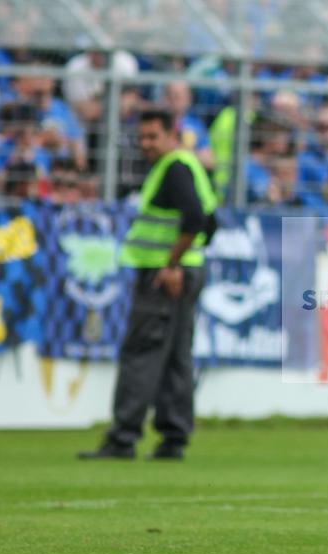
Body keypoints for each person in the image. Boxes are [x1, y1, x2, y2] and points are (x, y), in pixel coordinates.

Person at [78, 109, 217, 461]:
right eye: (141, 137)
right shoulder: (188, 165)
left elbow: (197, 218)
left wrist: (172, 264)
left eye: (153, 136)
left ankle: (122, 438)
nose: (146, 144)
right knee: (175, 357)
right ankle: (173, 438)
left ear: (173, 134)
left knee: (141, 353)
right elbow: (210, 220)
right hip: (186, 270)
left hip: (164, 274)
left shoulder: (174, 168)